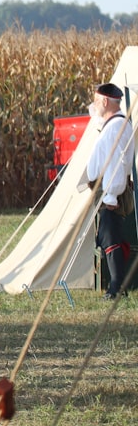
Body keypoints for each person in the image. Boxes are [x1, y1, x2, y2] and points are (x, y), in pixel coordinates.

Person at [86, 82, 135, 300]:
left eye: (97, 101)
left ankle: (116, 287)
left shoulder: (116, 127)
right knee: (109, 236)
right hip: (107, 189)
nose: (94, 105)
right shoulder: (113, 124)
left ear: (105, 101)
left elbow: (116, 162)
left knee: (109, 236)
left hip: (110, 189)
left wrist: (111, 195)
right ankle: (117, 286)